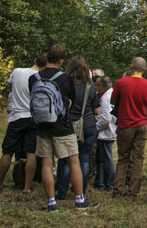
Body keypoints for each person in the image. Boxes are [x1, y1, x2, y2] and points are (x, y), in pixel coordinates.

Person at [29, 44, 99, 211]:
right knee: (73, 161)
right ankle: (79, 199)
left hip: (41, 126)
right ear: (61, 61)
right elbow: (72, 100)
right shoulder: (65, 79)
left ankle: (52, 202)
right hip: (62, 125)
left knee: (47, 164)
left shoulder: (34, 78)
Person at [0, 54, 46, 194]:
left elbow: (12, 86)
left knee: (7, 151)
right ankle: (27, 187)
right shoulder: (41, 78)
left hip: (16, 116)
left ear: (35, 60)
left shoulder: (17, 72)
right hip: (32, 117)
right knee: (31, 153)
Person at [55, 56, 100, 200]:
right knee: (84, 158)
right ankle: (81, 189)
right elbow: (96, 111)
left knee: (65, 159)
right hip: (87, 124)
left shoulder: (66, 86)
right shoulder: (91, 87)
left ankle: (61, 191)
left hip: (68, 124)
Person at [111, 56, 147, 198]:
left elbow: (113, 99)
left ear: (131, 66)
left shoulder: (121, 83)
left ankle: (118, 188)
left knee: (123, 158)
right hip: (141, 123)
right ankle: (133, 190)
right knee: (138, 158)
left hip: (125, 124)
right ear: (145, 69)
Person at [94, 76, 116, 191]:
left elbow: (106, 118)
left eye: (96, 85)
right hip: (105, 131)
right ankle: (102, 182)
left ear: (101, 87)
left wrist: (96, 127)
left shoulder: (106, 97)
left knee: (107, 159)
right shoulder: (108, 94)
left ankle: (110, 183)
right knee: (102, 158)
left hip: (106, 131)